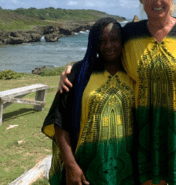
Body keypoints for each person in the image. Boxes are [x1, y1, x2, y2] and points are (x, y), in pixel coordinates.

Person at [58, 0, 176, 185]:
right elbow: (106, 52)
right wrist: (72, 69)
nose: (157, 1)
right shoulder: (130, 33)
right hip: (144, 133)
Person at [42, 17, 136, 185]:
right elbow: (59, 122)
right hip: (85, 169)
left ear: (122, 41)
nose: (109, 46)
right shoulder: (79, 74)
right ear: (94, 44)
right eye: (102, 41)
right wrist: (71, 167)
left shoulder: (134, 73)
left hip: (128, 168)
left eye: (114, 39)